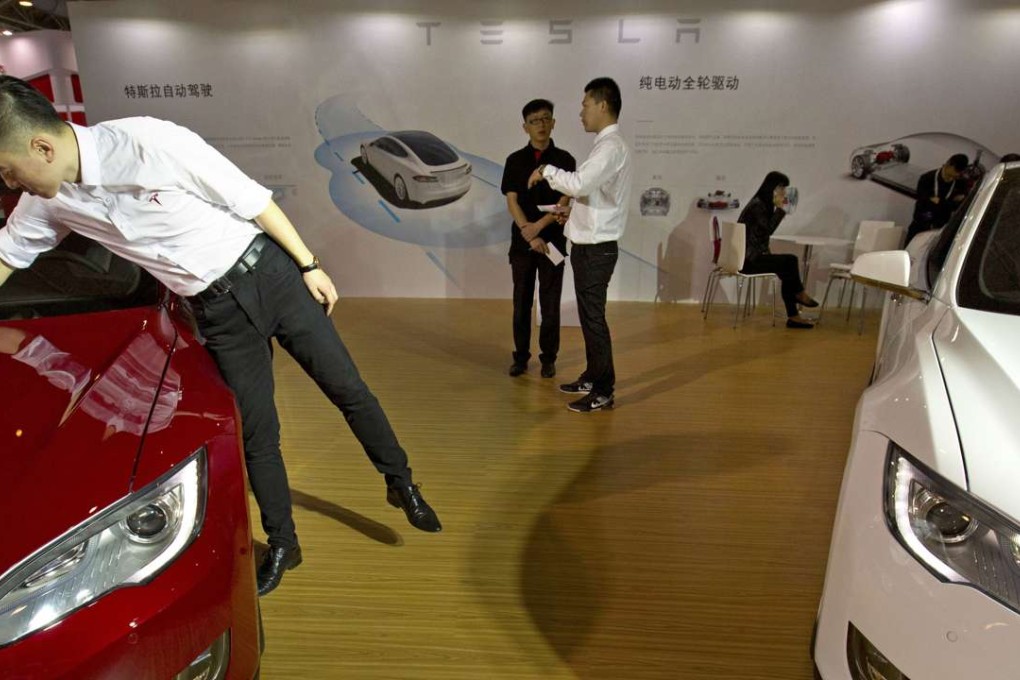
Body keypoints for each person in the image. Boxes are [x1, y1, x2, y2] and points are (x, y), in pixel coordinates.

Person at [0, 75, 441, 598]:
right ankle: (283, 543)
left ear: (41, 146)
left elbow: (252, 201)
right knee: (257, 433)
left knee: (347, 389)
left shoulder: (148, 140)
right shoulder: (46, 202)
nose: (9, 184)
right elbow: (6, 256)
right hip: (216, 312)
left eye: (7, 169)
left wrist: (308, 264)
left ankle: (401, 483)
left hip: (270, 276)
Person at [527, 77, 632, 413]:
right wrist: (569, 215)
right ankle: (593, 376)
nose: (581, 111)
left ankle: (603, 389)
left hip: (597, 249)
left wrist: (546, 169)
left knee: (594, 318)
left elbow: (580, 182)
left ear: (603, 105)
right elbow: (595, 194)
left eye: (585, 104)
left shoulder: (611, 147)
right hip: (590, 245)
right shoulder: (606, 147)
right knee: (590, 318)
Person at [500, 99, 575, 379]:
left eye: (546, 119)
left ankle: (548, 358)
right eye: (534, 121)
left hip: (553, 241)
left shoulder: (566, 160)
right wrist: (527, 233)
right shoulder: (514, 160)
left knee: (550, 302)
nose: (541, 125)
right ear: (525, 127)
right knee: (521, 302)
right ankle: (520, 357)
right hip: (522, 243)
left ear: (553, 122)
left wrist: (539, 227)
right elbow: (512, 200)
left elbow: (565, 201)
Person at [736, 171, 818, 329]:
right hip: (748, 261)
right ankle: (797, 300)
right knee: (790, 262)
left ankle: (794, 313)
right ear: (771, 187)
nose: (783, 192)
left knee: (788, 268)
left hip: (750, 257)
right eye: (780, 188)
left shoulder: (760, 204)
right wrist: (781, 209)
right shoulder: (758, 206)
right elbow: (768, 230)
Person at [906, 154, 969, 244]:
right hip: (921, 222)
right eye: (956, 171)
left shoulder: (960, 184)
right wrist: (948, 203)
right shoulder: (927, 179)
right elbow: (923, 201)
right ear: (949, 164)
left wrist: (938, 201)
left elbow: (958, 206)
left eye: (960, 172)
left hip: (940, 227)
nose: (957, 174)